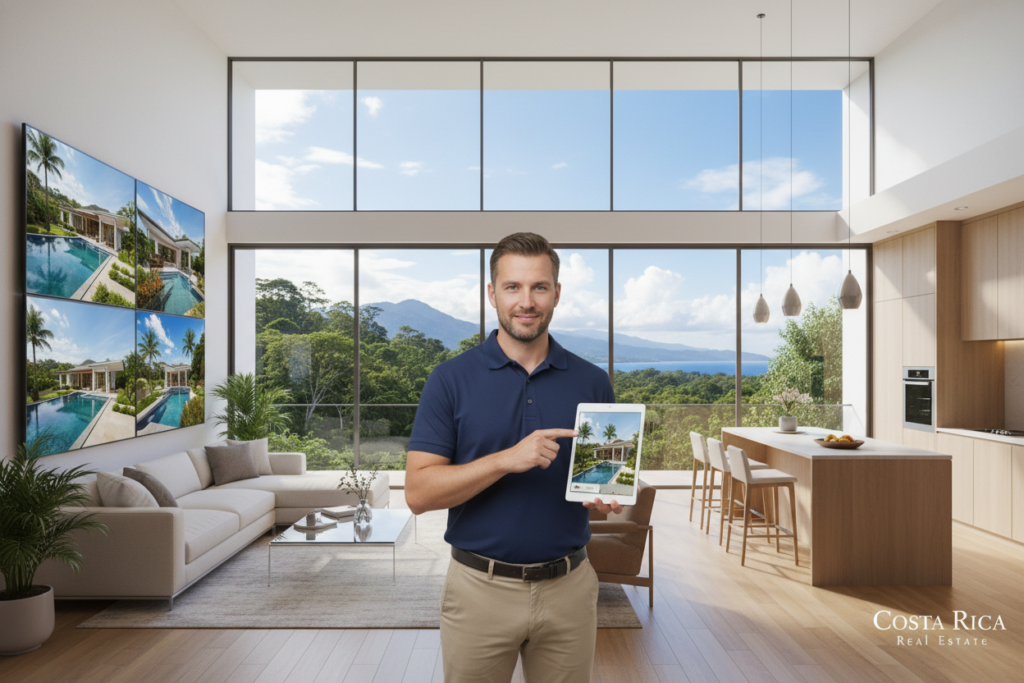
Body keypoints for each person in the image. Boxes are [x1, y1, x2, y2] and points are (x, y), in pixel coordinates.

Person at [405, 232, 623, 683]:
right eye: (513, 287)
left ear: (557, 293)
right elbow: (418, 493)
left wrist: (604, 497)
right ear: (492, 294)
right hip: (478, 591)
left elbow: (601, 480)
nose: (527, 301)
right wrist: (506, 460)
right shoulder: (449, 380)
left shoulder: (593, 381)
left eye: (539, 287)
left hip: (570, 588)